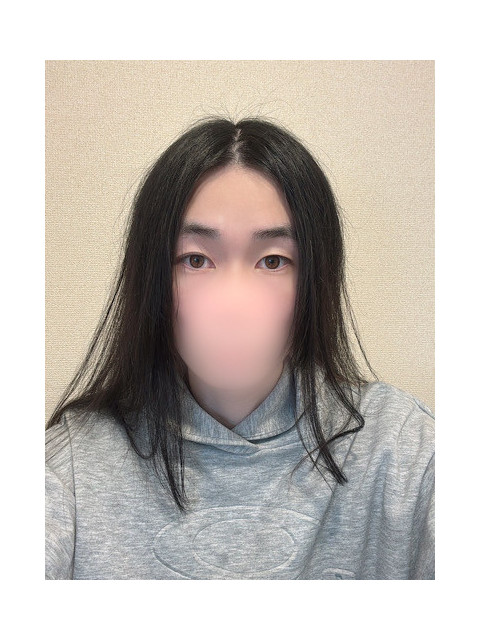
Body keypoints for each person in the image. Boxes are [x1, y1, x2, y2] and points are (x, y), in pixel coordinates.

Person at [45, 116, 434, 580]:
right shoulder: (73, 467)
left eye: (273, 261)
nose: (233, 306)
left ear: (316, 280)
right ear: (151, 278)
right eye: (195, 260)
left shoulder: (404, 450)